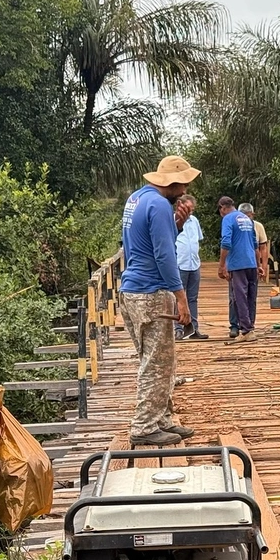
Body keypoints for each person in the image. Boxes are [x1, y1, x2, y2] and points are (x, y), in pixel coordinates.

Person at [119, 156, 200, 446]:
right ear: (173, 182)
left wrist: (177, 224)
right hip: (151, 292)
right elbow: (164, 256)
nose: (186, 188)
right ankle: (143, 427)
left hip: (131, 290)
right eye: (184, 183)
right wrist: (181, 298)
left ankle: (162, 419)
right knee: (156, 363)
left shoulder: (137, 199)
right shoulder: (158, 206)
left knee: (158, 360)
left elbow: (140, 243)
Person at [218, 197, 259, 344]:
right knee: (251, 296)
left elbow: (226, 242)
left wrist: (222, 265)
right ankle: (250, 326)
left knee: (239, 296)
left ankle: (246, 330)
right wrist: (258, 263)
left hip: (238, 263)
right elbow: (255, 244)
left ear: (223, 207)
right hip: (251, 263)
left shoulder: (228, 219)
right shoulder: (247, 219)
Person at [229, 203, 270, 333]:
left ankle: (249, 324)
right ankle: (235, 324)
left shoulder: (258, 226)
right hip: (238, 264)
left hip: (252, 265)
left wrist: (263, 266)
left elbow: (262, 247)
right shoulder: (235, 224)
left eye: (249, 216)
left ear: (252, 215)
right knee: (235, 296)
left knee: (251, 296)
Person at [173, 194, 207, 339]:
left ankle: (193, 328)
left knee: (193, 298)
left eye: (192, 209)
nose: (190, 212)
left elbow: (197, 240)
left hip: (194, 263)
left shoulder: (194, 221)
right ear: (180, 205)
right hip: (180, 263)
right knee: (179, 297)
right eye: (188, 208)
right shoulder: (173, 220)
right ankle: (179, 328)